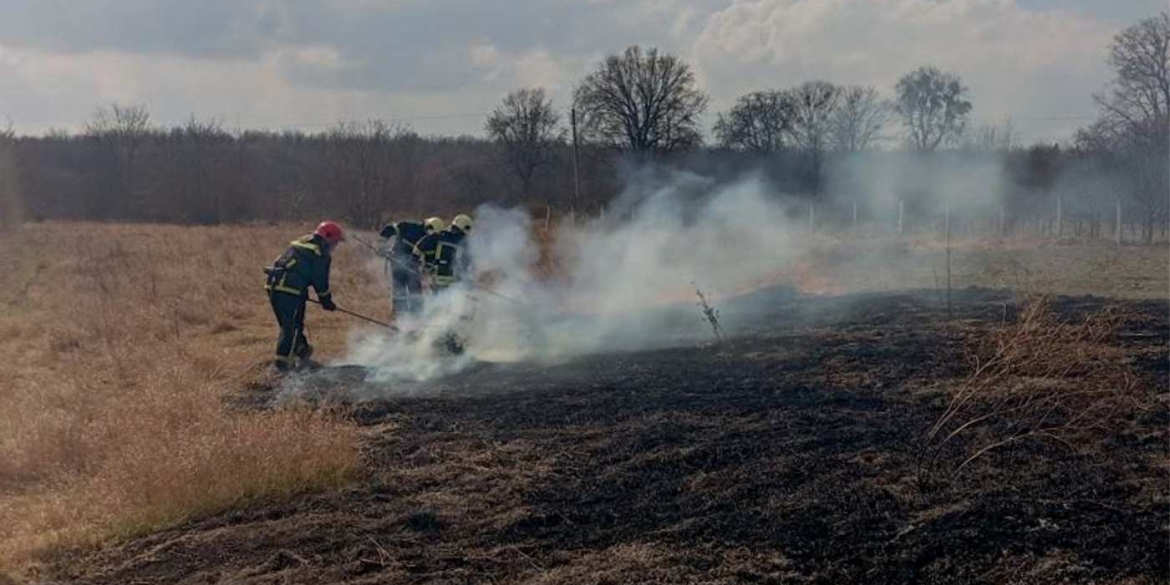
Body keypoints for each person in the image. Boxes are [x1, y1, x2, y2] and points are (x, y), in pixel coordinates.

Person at [264, 221, 344, 372]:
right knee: (290, 328)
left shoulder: (302, 243)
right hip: (289, 289)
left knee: (291, 324)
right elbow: (320, 281)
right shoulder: (320, 253)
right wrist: (326, 302)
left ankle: (302, 352)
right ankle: (282, 366)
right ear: (327, 237)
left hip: (274, 285)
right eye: (335, 241)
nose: (336, 246)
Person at [379, 217, 444, 315]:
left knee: (414, 288)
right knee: (399, 287)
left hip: (413, 265)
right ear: (428, 227)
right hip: (396, 260)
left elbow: (429, 259)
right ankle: (400, 312)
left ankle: (416, 312)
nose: (432, 236)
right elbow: (390, 229)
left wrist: (428, 270)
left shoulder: (430, 241)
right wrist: (382, 244)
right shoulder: (407, 227)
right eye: (432, 233)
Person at [413, 213, 473, 294]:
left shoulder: (439, 236)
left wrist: (415, 259)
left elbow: (419, 247)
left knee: (437, 299)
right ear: (464, 227)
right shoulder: (464, 242)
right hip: (455, 280)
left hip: (437, 276)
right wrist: (467, 280)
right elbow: (466, 262)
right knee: (451, 301)